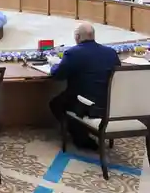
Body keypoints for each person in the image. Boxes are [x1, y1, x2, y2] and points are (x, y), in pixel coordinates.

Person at [48, 23, 120, 151]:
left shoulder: (73, 53)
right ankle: (83, 131)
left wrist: (54, 64)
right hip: (109, 104)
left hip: (86, 105)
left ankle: (80, 136)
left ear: (77, 37)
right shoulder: (111, 53)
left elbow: (58, 75)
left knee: (56, 103)